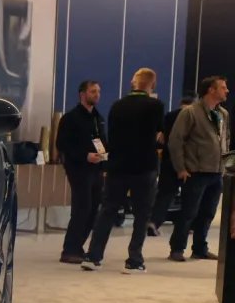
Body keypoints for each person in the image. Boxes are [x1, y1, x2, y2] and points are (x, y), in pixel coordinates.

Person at [81, 68, 165, 274]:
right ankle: (134, 260)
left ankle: (93, 256)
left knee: (107, 210)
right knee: (142, 214)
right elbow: (159, 135)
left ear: (133, 82)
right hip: (144, 166)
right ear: (152, 84)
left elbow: (112, 136)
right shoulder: (156, 105)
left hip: (118, 166)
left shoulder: (117, 105)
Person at [166, 75, 229, 262]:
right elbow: (175, 140)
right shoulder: (190, 112)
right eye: (223, 87)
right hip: (196, 172)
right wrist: (181, 168)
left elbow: (225, 140)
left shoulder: (223, 114)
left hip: (216, 172)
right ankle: (177, 248)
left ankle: (200, 248)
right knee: (189, 212)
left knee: (208, 213)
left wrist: (227, 167)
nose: (227, 90)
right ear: (211, 90)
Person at [56, 80, 107, 263]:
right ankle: (69, 249)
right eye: (93, 91)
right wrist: (85, 156)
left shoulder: (98, 118)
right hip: (78, 169)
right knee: (82, 207)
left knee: (93, 209)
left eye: (98, 91)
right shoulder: (70, 118)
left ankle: (78, 246)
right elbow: (63, 144)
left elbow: (102, 141)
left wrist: (104, 159)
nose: (97, 95)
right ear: (82, 94)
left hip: (96, 169)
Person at [148, 92, 196, 236]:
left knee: (165, 194)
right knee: (190, 196)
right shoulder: (194, 116)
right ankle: (187, 225)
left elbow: (161, 138)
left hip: (169, 160)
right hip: (189, 161)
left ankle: (154, 222)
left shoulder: (169, 116)